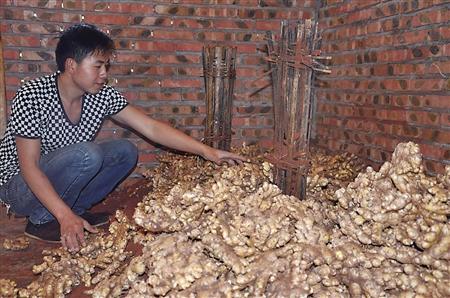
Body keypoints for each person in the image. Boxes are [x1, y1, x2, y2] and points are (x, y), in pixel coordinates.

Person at [0, 23, 244, 253]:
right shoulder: (32, 95)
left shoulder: (101, 95)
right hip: (19, 187)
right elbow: (29, 166)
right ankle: (43, 221)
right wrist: (63, 217)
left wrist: (206, 151)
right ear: (71, 65)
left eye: (106, 66)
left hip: (58, 182)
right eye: (97, 66)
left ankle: (75, 210)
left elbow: (150, 127)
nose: (104, 74)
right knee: (87, 155)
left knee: (124, 151)